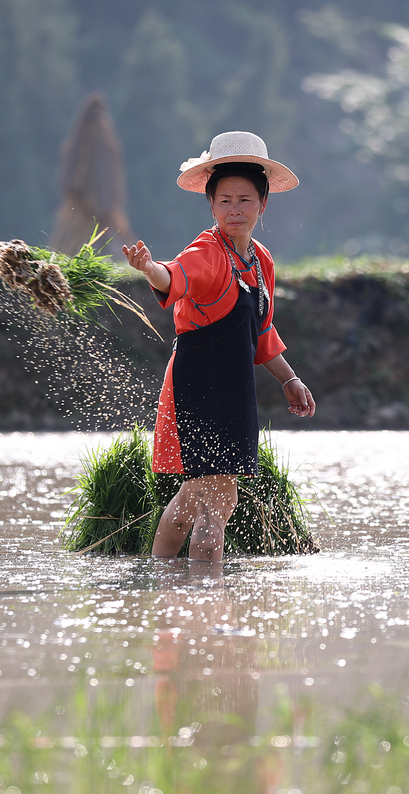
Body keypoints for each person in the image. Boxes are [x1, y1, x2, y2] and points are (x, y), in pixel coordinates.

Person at [122, 131, 315, 562]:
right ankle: (208, 612)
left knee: (193, 499)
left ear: (263, 204)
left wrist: (290, 379)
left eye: (244, 199)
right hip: (200, 387)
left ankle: (165, 588)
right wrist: (147, 267)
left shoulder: (260, 261)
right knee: (219, 506)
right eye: (224, 200)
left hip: (232, 391)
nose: (234, 209)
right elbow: (173, 276)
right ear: (210, 205)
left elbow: (262, 334)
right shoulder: (206, 251)